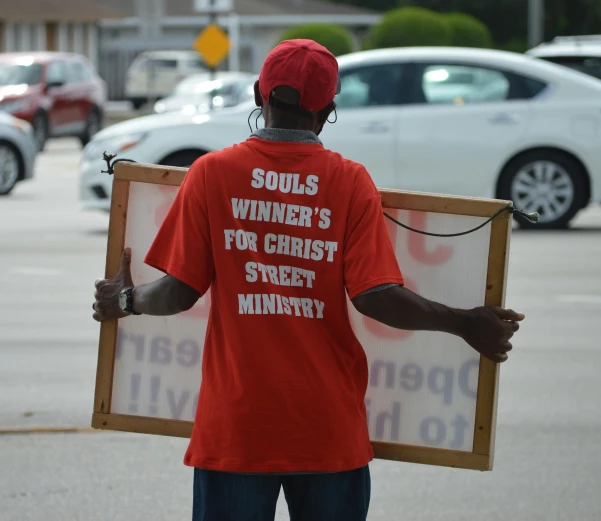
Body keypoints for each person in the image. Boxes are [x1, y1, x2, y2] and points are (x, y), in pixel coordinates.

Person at [92, 39, 524, 521]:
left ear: (259, 95)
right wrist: (465, 322)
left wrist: (125, 299)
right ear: (329, 110)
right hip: (327, 430)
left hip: (238, 428)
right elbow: (376, 298)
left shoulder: (211, 174)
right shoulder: (350, 181)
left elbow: (176, 293)